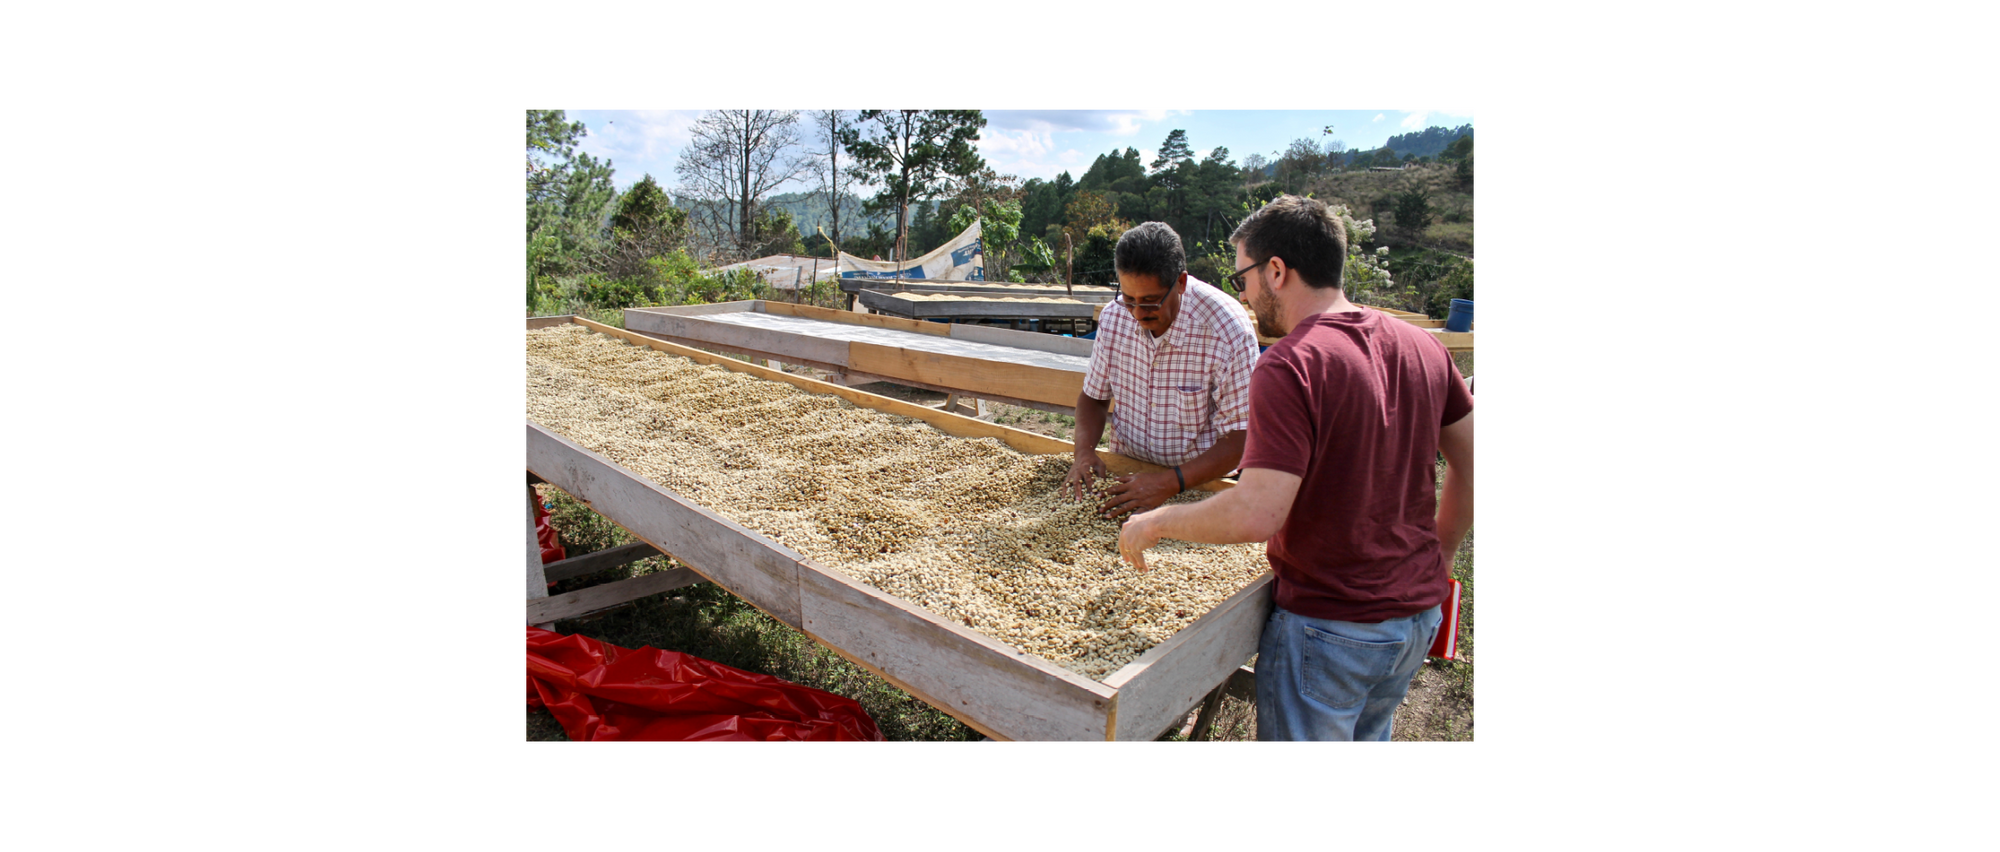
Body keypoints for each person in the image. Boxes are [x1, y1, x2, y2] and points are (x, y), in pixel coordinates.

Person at [1116, 195, 1477, 744]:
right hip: (1415, 616)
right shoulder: (1422, 347)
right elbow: (1472, 469)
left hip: (1332, 628)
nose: (1242, 294)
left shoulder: (1291, 364)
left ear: (1276, 271)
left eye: (1242, 278)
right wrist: (1439, 555)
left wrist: (1158, 521)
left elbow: (1257, 511)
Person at [1062, 222, 1261, 519]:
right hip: (1128, 474)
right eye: (1129, 299)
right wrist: (1084, 453)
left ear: (1180, 283)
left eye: (1150, 301)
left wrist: (1169, 483)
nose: (1139, 314)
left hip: (1201, 485)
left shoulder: (1226, 330)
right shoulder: (1116, 317)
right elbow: (1094, 397)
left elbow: (1241, 437)